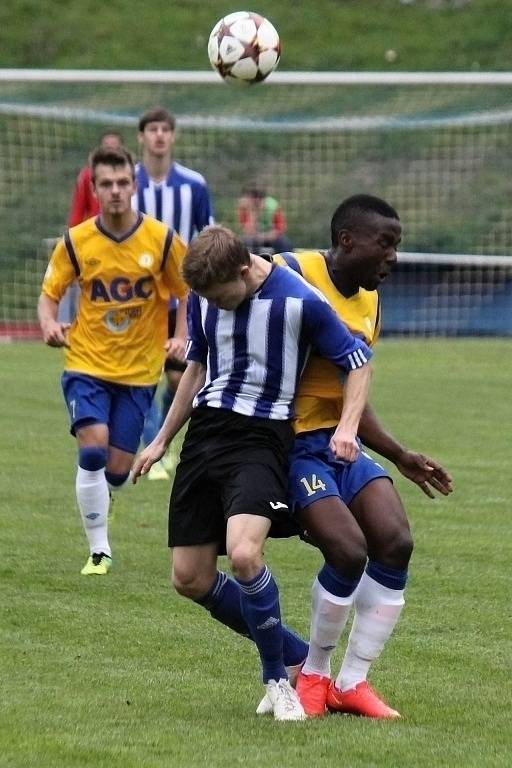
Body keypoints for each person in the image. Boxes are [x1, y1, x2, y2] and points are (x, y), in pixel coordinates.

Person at [132, 225, 373, 721]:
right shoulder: (203, 297)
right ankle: (295, 654)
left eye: (221, 296)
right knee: (189, 579)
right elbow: (196, 367)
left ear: (244, 271)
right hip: (206, 436)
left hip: (262, 438)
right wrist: (161, 441)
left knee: (244, 555)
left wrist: (347, 427)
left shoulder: (299, 300)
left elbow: (358, 361)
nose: (215, 306)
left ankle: (277, 681)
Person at [257, 194, 453, 719]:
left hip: (340, 442)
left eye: (397, 247)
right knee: (347, 551)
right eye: (385, 245)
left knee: (395, 540)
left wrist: (399, 454)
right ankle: (314, 676)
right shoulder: (290, 270)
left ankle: (353, 682)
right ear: (347, 241)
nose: (393, 258)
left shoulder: (370, 300)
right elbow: (226, 291)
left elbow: (353, 390)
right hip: (287, 446)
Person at [37, 146, 189, 576]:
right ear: (94, 188)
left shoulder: (160, 240)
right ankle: (99, 550)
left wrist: (180, 337)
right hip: (86, 363)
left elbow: (185, 291)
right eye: (107, 184)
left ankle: (105, 498)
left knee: (119, 472)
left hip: (140, 371)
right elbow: (49, 296)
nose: (116, 191)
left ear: (133, 185)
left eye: (123, 182)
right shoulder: (77, 241)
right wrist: (49, 324)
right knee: (93, 446)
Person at [134, 106, 214, 481]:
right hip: (139, 300)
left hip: (184, 298)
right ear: (142, 137)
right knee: (141, 377)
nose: (159, 136)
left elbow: (207, 234)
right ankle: (154, 450)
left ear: (173, 136)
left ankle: (163, 440)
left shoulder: (193, 185)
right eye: (153, 129)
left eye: (165, 129)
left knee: (179, 378)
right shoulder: (128, 184)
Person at [59, 130, 125, 325]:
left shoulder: (131, 177)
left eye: (115, 148)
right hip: (94, 243)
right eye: (107, 147)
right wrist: (73, 244)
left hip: (123, 242)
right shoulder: (87, 175)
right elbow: (77, 213)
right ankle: (73, 326)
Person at [237, 185, 292, 254]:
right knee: (245, 242)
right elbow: (247, 231)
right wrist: (253, 213)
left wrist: (264, 237)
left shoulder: (273, 206)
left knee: (284, 242)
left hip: (271, 238)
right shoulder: (244, 208)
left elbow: (280, 230)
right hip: (255, 239)